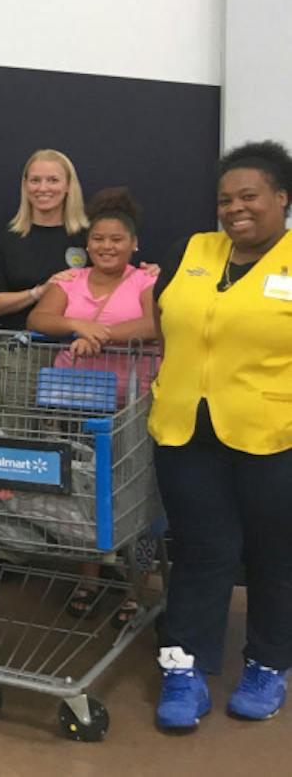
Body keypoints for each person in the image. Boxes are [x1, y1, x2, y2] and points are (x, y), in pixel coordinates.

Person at [149, 140, 292, 729]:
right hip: (186, 432)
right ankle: (183, 670)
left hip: (274, 436)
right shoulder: (194, 250)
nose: (235, 208)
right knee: (200, 551)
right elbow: (165, 319)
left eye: (249, 196)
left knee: (274, 556)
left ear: (282, 199)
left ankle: (268, 664)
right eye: (226, 199)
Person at [26, 188, 159, 626]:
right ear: (88, 244)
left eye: (116, 239)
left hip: (131, 405)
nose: (107, 246)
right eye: (99, 239)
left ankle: (136, 586)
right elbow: (39, 319)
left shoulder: (146, 281)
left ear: (134, 244)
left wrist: (98, 335)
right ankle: (89, 578)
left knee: (134, 492)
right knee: (82, 491)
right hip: (74, 401)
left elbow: (153, 324)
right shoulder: (69, 280)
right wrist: (75, 324)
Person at [0, 149, 90, 330]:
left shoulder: (90, 239)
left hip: (77, 344)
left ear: (68, 185)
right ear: (25, 186)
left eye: (53, 180)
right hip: (18, 344)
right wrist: (39, 292)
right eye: (35, 180)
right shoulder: (5, 242)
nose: (43, 188)